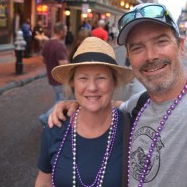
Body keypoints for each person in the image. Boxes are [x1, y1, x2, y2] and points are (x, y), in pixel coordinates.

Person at [48, 3, 187, 186]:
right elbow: (111, 105)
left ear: (181, 47)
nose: (150, 56)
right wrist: (77, 104)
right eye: (137, 48)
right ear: (129, 58)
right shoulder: (137, 105)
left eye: (161, 41)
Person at [35, 37, 135, 186]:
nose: (92, 87)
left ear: (114, 83)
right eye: (83, 78)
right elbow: (44, 181)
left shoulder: (131, 128)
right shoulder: (56, 127)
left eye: (101, 77)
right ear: (73, 82)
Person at [39, 22, 69, 125]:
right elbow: (63, 64)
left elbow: (42, 59)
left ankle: (57, 116)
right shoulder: (59, 45)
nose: (66, 32)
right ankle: (46, 117)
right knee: (61, 101)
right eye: (65, 30)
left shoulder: (48, 43)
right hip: (59, 79)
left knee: (59, 98)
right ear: (61, 32)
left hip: (51, 77)